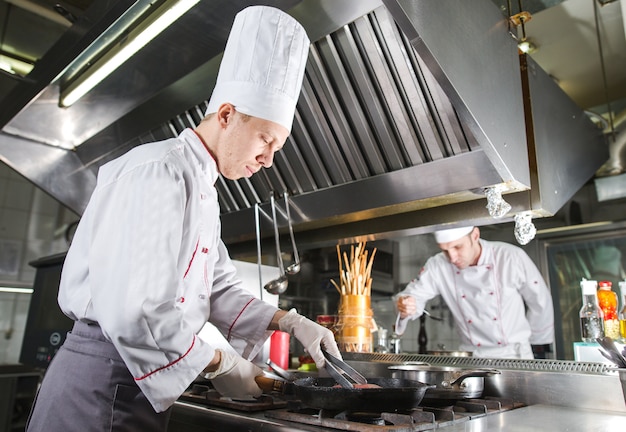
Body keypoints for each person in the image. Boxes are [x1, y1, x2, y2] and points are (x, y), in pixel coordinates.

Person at [26, 6, 341, 431]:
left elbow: (215, 287)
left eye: (277, 148)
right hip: (103, 381)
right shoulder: (160, 173)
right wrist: (219, 363)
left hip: (133, 386)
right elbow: (136, 310)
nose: (268, 159)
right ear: (227, 115)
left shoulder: (201, 190)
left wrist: (288, 321)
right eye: (266, 139)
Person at [394, 225, 554, 359]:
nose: (452, 257)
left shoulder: (509, 257)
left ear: (475, 235)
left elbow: (540, 301)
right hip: (471, 356)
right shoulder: (437, 265)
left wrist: (537, 344)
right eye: (445, 250)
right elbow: (412, 296)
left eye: (457, 247)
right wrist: (406, 304)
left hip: (515, 355)